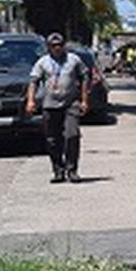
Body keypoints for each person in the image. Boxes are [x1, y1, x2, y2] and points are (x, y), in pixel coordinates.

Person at [25, 32, 89, 184]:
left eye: (60, 45)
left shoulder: (73, 60)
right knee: (52, 139)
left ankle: (72, 170)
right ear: (49, 47)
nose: (57, 48)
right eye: (54, 46)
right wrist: (30, 101)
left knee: (72, 135)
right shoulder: (43, 62)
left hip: (71, 103)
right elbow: (33, 81)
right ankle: (58, 170)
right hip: (50, 105)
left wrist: (84, 100)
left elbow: (85, 77)